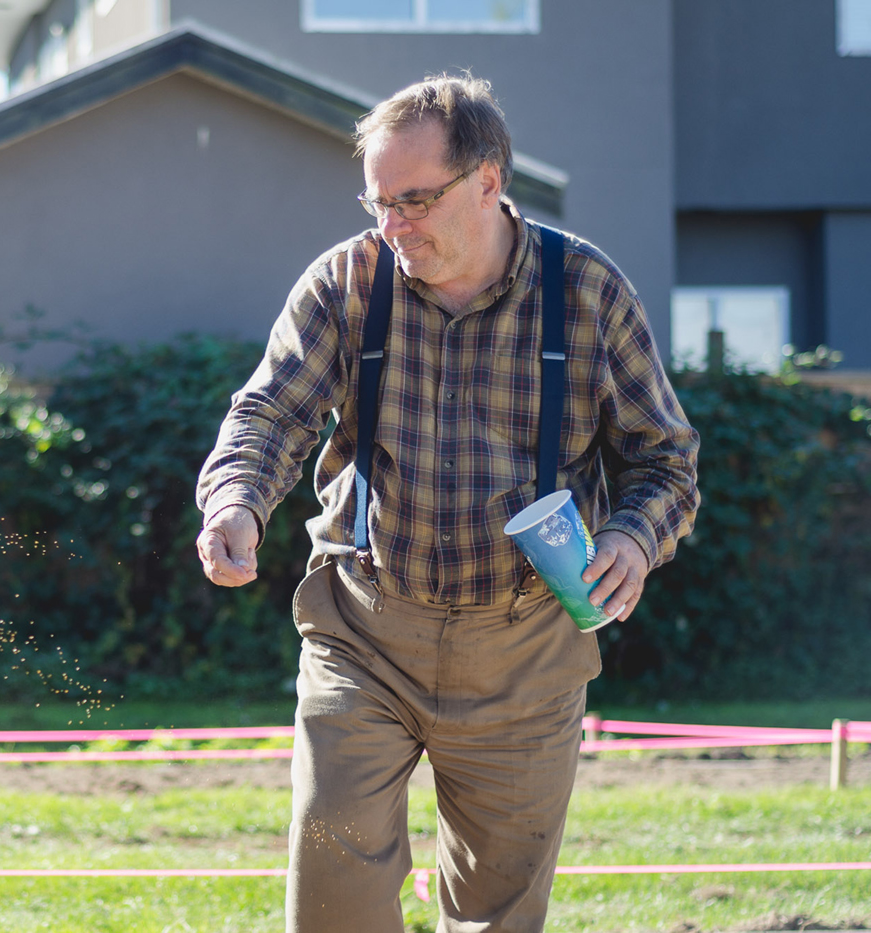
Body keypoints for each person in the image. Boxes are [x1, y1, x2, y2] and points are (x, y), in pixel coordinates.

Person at [194, 74, 700, 932]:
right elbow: (270, 411)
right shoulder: (347, 283)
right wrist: (235, 499)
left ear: (488, 180)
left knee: (497, 914)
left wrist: (632, 537)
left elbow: (665, 461)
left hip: (528, 650)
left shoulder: (586, 291)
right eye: (378, 201)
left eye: (415, 200)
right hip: (365, 630)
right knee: (333, 895)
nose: (392, 225)